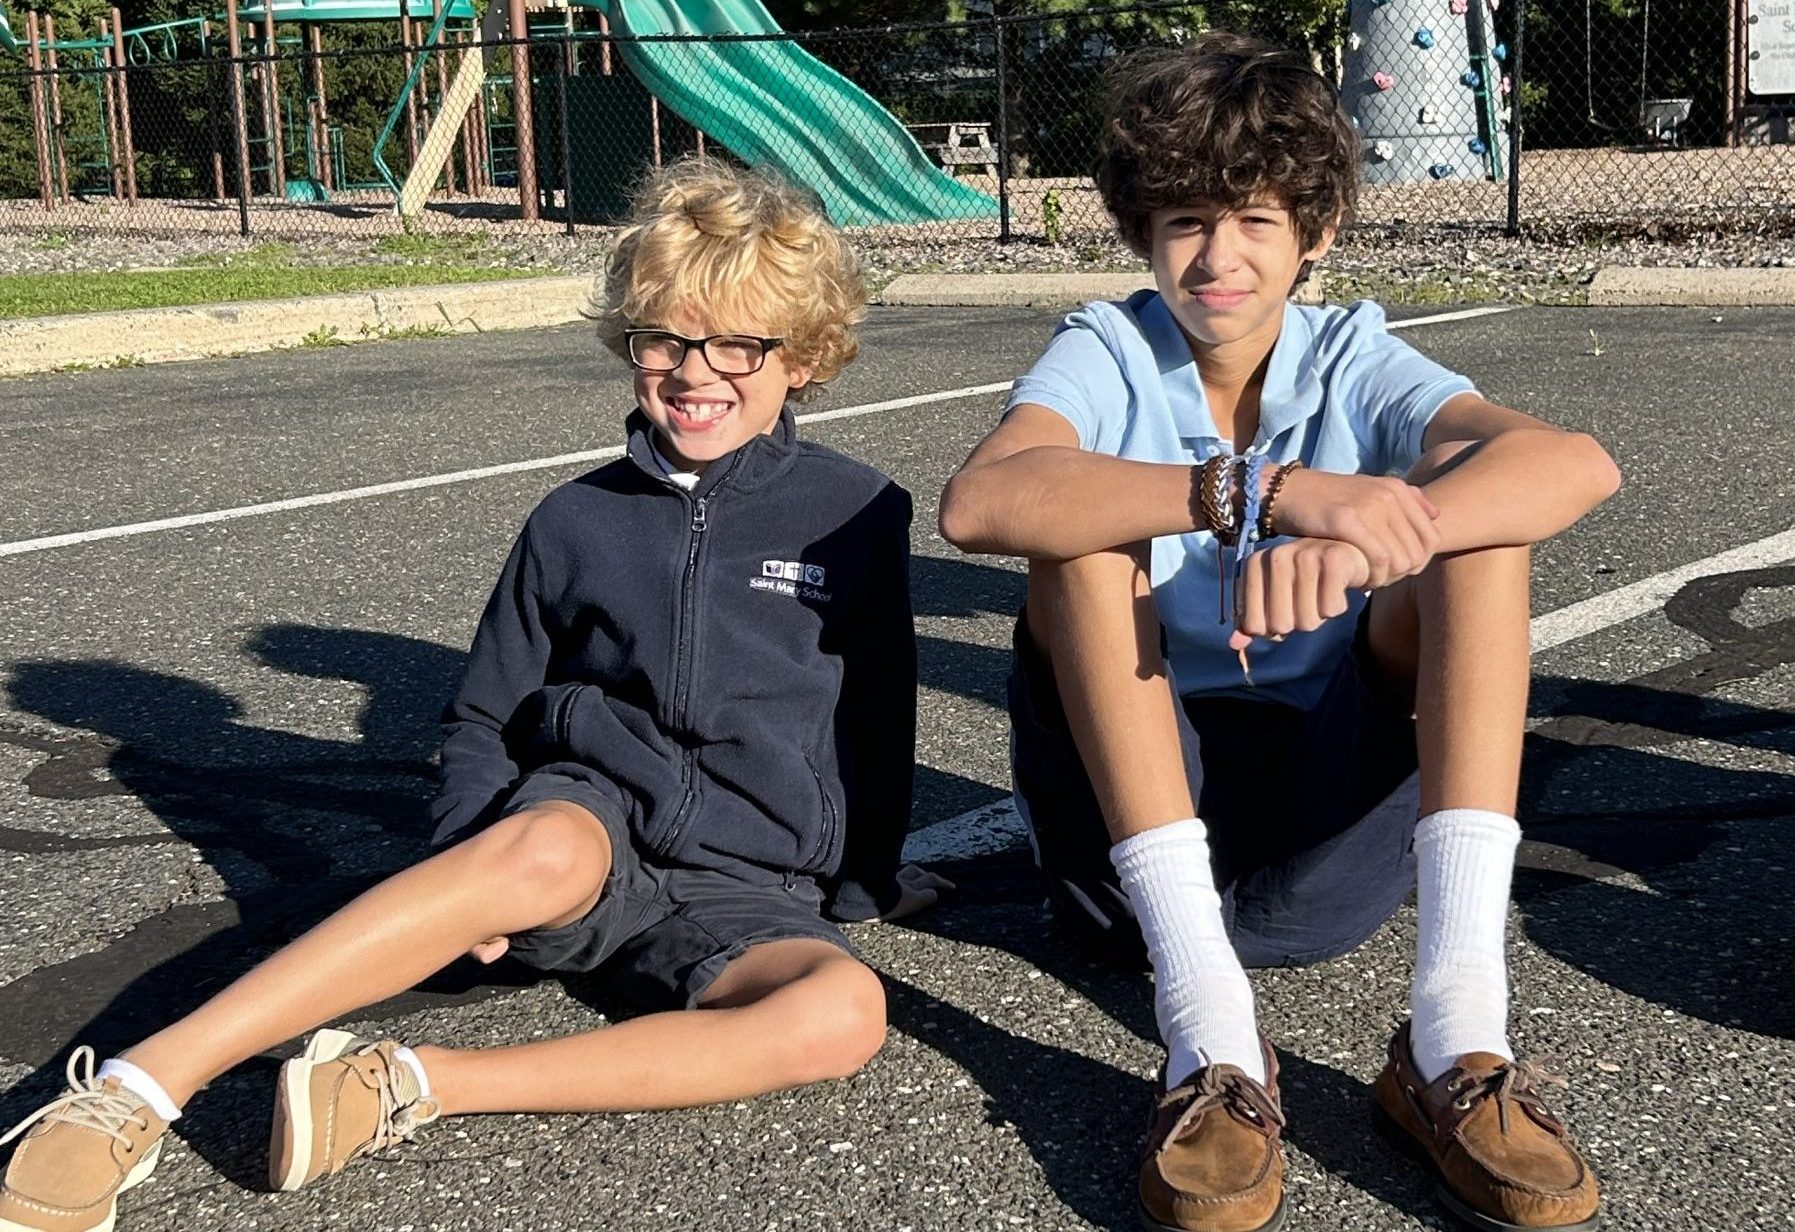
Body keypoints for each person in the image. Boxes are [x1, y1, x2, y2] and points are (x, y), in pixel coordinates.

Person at [0, 157, 948, 1232]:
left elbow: (877, 706)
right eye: (666, 339)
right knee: (541, 844)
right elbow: (488, 712)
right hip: (588, 830)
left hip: (749, 877)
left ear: (806, 358)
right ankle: (134, 1086)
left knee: (844, 1011)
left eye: (738, 343)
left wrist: (866, 874)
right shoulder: (572, 521)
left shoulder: (858, 511)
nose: (696, 371)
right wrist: (466, 866)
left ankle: (404, 1081)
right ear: (631, 342)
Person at [939, 32, 1620, 1232]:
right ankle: (1209, 1038)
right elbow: (981, 500)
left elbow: (1574, 462)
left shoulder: (1349, 351)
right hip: (1133, 855)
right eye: (1186, 220)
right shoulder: (1105, 346)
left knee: (1477, 535)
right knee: (1075, 544)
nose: (1219, 257)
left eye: (1254, 219)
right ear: (1142, 235)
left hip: (1320, 839)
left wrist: (1370, 539)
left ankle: (1456, 1037)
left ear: (1313, 235)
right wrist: (1262, 494)